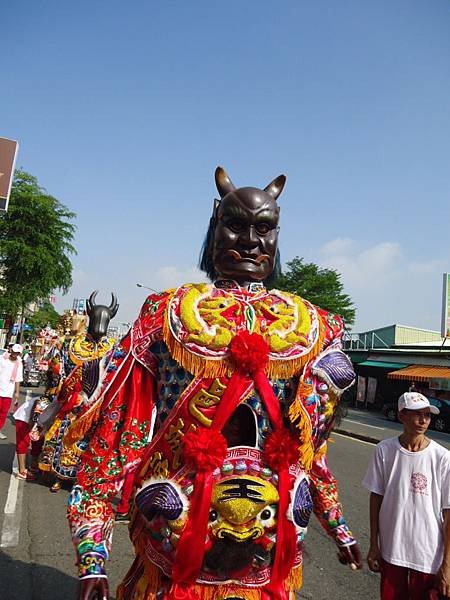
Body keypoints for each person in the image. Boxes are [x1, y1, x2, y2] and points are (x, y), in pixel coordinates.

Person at [68, 167, 362, 600]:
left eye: (264, 228)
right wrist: (92, 556)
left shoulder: (315, 326)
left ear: (277, 236)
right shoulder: (168, 313)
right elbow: (117, 438)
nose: (249, 240)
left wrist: (338, 527)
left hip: (268, 543)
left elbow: (310, 451)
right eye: (235, 225)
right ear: (214, 228)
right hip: (176, 532)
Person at [363, 391, 450, 600]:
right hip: (392, 548)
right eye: (417, 414)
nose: (423, 420)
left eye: (427, 415)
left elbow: (448, 512)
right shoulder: (384, 450)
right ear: (402, 415)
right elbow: (376, 498)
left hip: (428, 553)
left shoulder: (442, 458)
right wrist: (374, 545)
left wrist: (447, 564)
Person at [13, 390, 43, 480]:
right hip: (24, 418)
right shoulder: (48, 399)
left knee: (38, 442)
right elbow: (36, 406)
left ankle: (33, 466)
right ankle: (22, 471)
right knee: (23, 442)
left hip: (39, 421)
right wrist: (31, 426)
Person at [0, 343, 23, 440]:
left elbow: (18, 379)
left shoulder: (19, 364)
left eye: (17, 353)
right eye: (14, 351)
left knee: (3, 413)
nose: (15, 354)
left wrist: (17, 392)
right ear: (11, 350)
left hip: (8, 392)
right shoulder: (2, 359)